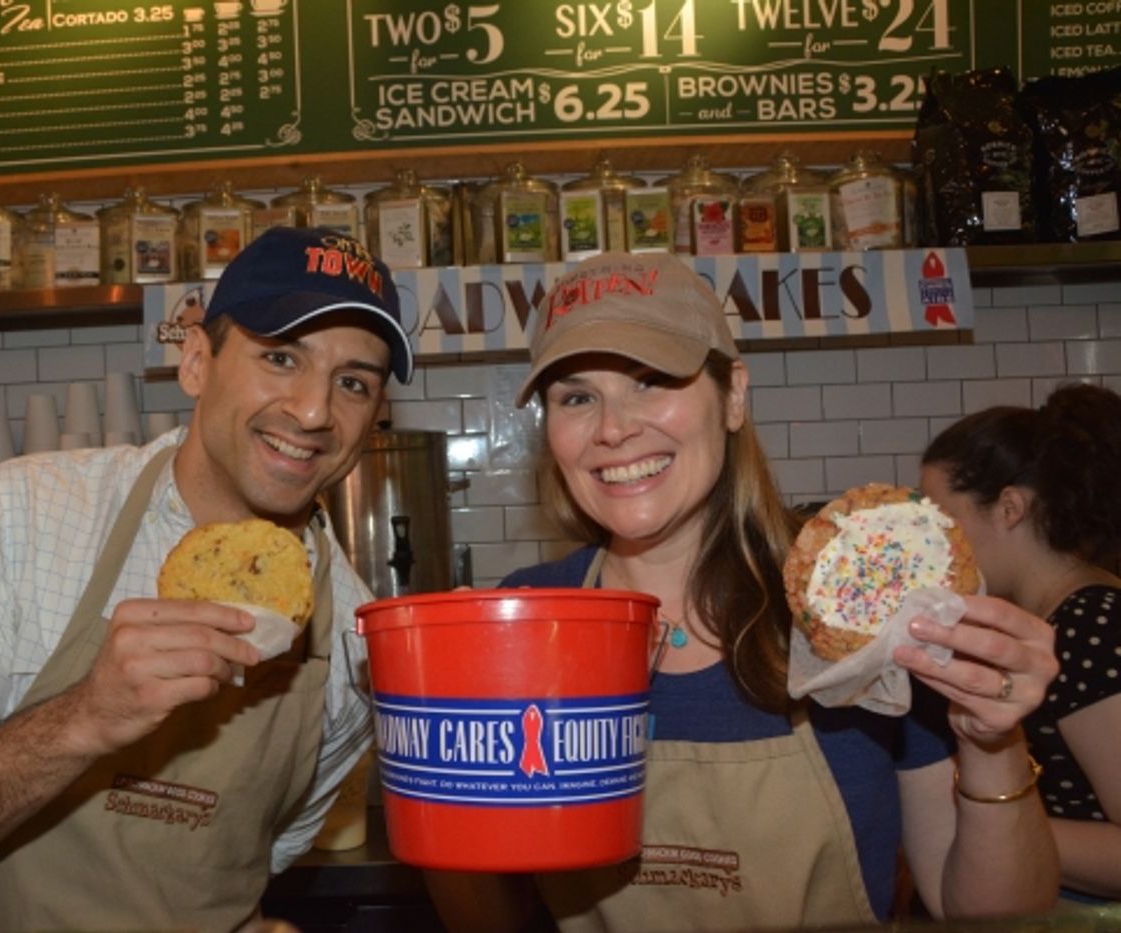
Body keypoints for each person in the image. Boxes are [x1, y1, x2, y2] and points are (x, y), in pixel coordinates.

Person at [426, 252, 1061, 931]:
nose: (613, 428)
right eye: (577, 396)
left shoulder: (859, 609)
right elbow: (487, 912)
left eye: (652, 380)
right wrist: (432, 780)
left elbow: (992, 913)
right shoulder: (520, 620)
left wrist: (992, 743)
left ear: (733, 395)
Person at [0, 226, 414, 931]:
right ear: (197, 359)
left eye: (353, 381)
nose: (316, 410)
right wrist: (85, 717)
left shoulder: (354, 636)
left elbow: (262, 855)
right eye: (280, 356)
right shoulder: (23, 515)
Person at [921, 383, 1121, 903]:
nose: (932, 545)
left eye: (942, 521)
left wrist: (983, 835)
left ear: (1009, 508)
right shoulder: (1046, 619)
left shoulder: (1088, 628)